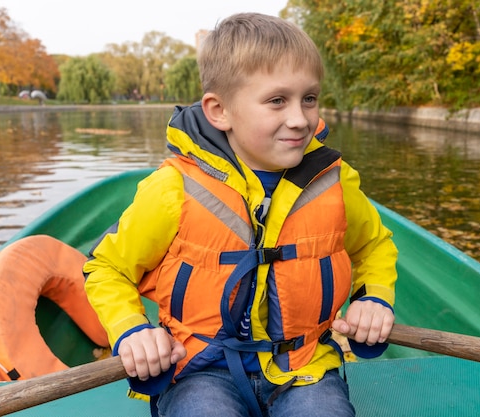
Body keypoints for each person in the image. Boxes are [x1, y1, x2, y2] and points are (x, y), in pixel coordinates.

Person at [84, 12, 397, 417]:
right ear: (220, 111)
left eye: (310, 98)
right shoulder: (173, 189)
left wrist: (373, 298)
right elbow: (106, 268)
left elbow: (374, 245)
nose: (301, 119)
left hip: (304, 367)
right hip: (199, 370)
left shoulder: (335, 183)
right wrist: (131, 330)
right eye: (277, 101)